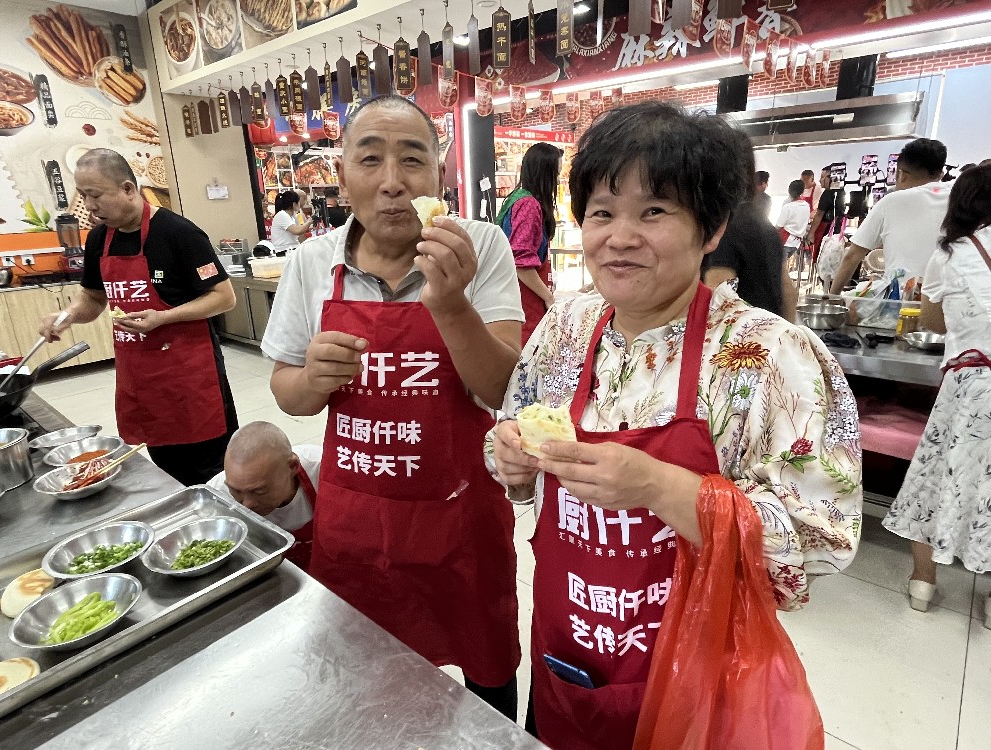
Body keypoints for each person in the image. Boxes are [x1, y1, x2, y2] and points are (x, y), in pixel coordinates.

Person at [489, 101, 862, 749]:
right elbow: (513, 438)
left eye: (654, 210)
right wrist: (512, 458)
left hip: (697, 674)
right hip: (570, 652)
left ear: (711, 229)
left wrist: (661, 487)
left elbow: (820, 540)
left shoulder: (768, 355)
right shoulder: (566, 328)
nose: (620, 236)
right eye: (602, 212)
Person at [260, 95, 524, 719]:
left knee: (485, 670)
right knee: (361, 678)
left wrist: (451, 303)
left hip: (461, 515)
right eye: (370, 159)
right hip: (359, 517)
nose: (392, 183)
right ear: (342, 173)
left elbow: (500, 389)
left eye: (412, 159)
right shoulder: (311, 261)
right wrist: (313, 378)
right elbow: (287, 393)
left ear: (439, 172)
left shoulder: (481, 245)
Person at [39, 148, 238, 485]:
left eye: (95, 195)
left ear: (128, 189)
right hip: (141, 377)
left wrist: (163, 318)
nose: (88, 205)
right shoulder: (99, 239)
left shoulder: (179, 233)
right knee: (166, 467)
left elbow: (223, 297)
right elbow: (92, 297)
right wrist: (68, 315)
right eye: (83, 195)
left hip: (190, 375)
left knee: (212, 471)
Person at [881, 165, 991, 626]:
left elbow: (932, 322)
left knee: (935, 477)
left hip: (971, 385)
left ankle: (923, 582)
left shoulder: (949, 254)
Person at [829, 138, 949, 294]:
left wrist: (832, 298)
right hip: (950, 299)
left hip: (903, 299)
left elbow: (852, 257)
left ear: (901, 174)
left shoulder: (891, 201)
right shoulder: (960, 200)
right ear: (940, 174)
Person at [207, 421, 321, 571]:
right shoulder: (215, 495)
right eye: (236, 492)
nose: (247, 504)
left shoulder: (323, 471)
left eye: (259, 491)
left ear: (292, 467)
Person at [496, 142, 562, 343]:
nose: (558, 181)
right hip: (525, 301)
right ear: (545, 174)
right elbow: (521, 263)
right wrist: (548, 297)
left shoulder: (516, 199)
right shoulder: (529, 205)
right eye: (556, 175)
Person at [703, 197, 797, 321]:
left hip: (741, 329)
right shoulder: (766, 225)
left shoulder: (724, 227)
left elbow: (718, 301)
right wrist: (786, 330)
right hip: (770, 325)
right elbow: (788, 291)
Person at [806, 165, 846, 262]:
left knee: (821, 257)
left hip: (825, 230)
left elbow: (819, 214)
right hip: (837, 232)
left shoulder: (827, 193)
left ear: (831, 178)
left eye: (822, 177)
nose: (820, 180)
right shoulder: (842, 191)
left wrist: (811, 233)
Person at [270, 190, 313, 255]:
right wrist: (309, 221)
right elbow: (297, 231)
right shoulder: (282, 215)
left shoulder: (291, 216)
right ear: (294, 204)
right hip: (284, 251)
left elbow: (299, 235)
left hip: (292, 249)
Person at [776, 178, 812, 254]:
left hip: (786, 241)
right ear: (802, 191)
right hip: (797, 243)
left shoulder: (788, 207)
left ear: (789, 191)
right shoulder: (806, 206)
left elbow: (779, 226)